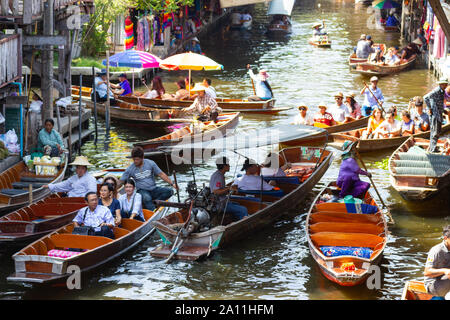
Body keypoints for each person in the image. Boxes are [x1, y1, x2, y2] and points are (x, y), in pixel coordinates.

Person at [119, 147, 176, 211]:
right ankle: (153, 211)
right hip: (142, 191)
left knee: (170, 191)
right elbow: (121, 181)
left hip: (153, 189)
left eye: (137, 159)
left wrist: (172, 183)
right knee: (147, 198)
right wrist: (112, 188)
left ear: (142, 158)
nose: (135, 161)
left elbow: (161, 174)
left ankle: (155, 203)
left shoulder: (150, 163)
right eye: (134, 159)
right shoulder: (130, 169)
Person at [209, 157, 248, 221]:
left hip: (220, 202)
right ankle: (242, 224)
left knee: (237, 204)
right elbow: (215, 191)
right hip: (220, 205)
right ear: (224, 166)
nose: (229, 166)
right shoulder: (219, 176)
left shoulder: (217, 174)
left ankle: (237, 221)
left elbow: (220, 190)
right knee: (243, 209)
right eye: (228, 164)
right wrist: (230, 188)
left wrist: (229, 188)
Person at [423, 225, 450, 299]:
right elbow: (427, 272)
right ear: (445, 238)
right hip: (433, 283)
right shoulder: (436, 251)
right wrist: (445, 271)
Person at [424, 78, 448, 152]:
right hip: (435, 114)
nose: (446, 85)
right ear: (441, 84)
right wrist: (429, 108)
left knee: (436, 132)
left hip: (439, 113)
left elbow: (439, 102)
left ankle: (432, 147)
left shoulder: (442, 91)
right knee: (435, 132)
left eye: (446, 84)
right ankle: (433, 149)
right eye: (445, 84)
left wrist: (443, 110)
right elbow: (425, 97)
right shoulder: (436, 91)